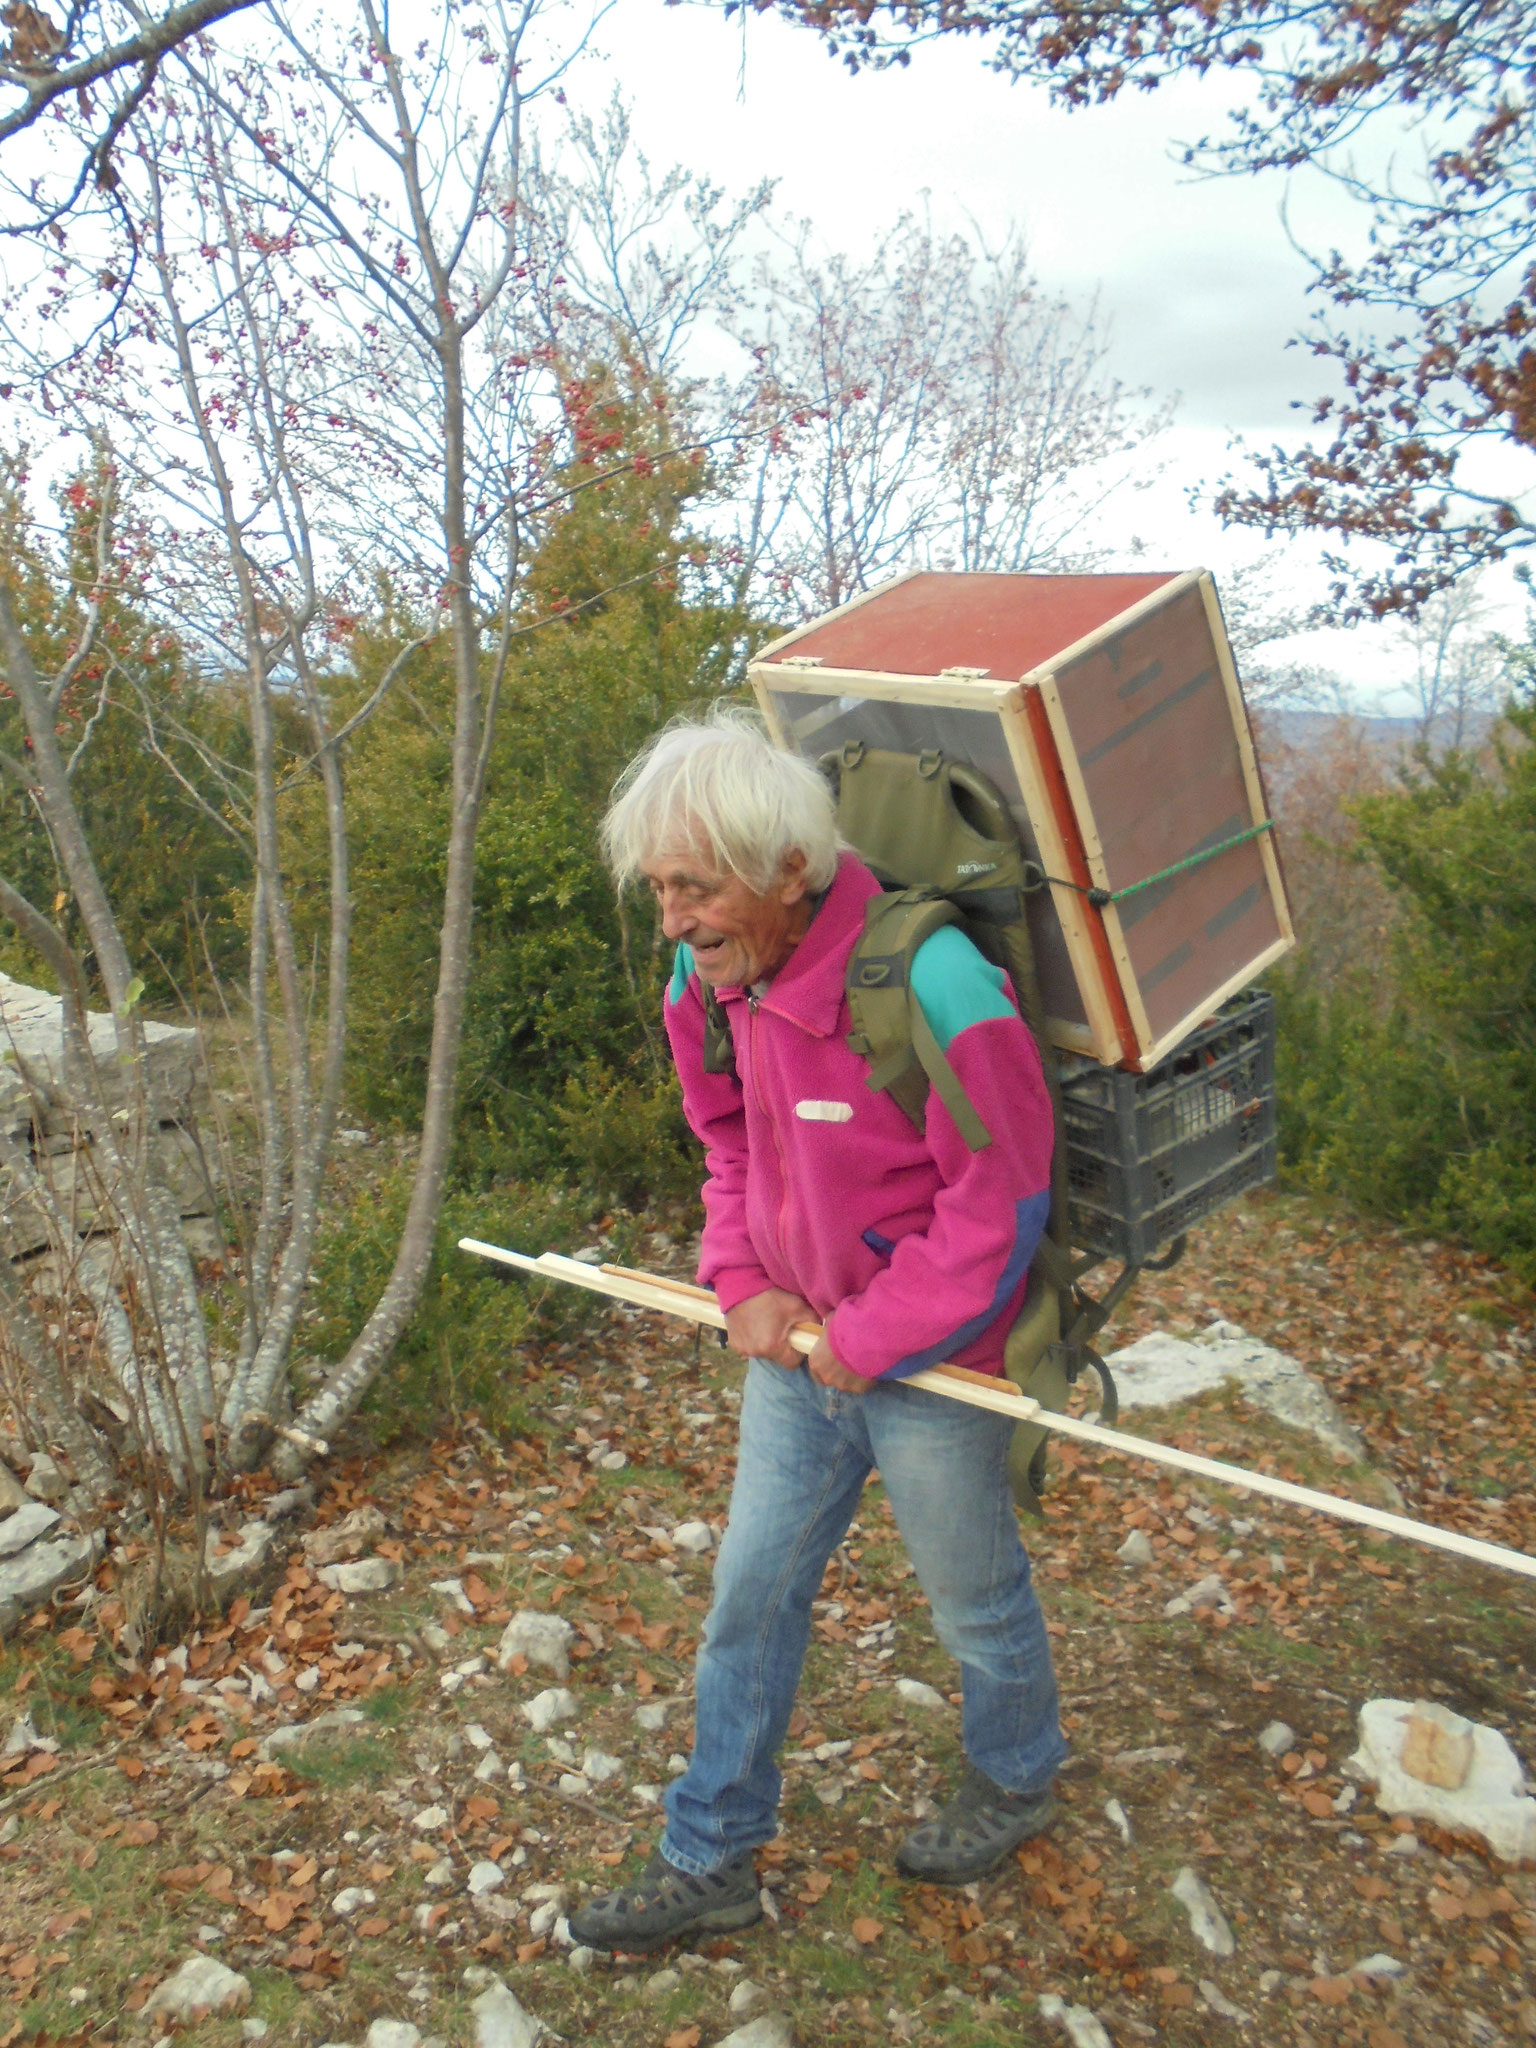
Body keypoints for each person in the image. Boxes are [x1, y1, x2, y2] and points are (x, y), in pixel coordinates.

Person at [569, 708, 1066, 1954]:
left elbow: (1004, 1191)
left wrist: (878, 1332)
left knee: (973, 1602)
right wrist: (741, 1279)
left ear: (790, 868)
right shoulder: (710, 979)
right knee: (750, 1594)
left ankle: (1016, 1771)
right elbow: (727, 1140)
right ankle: (712, 1852)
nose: (673, 920)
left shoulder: (934, 980)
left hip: (938, 1362)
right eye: (660, 888)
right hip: (795, 1360)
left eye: (696, 886)